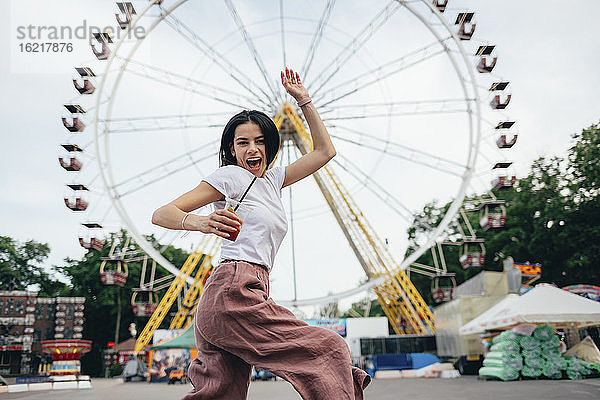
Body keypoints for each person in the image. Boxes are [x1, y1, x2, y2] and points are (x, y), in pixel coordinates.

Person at [152, 68, 371, 400]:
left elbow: (325, 152)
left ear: (271, 145)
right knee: (327, 348)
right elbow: (162, 214)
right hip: (233, 290)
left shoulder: (273, 180)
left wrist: (304, 100)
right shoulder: (229, 177)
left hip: (240, 294)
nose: (252, 148)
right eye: (243, 142)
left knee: (220, 394)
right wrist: (201, 222)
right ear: (232, 149)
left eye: (260, 141)